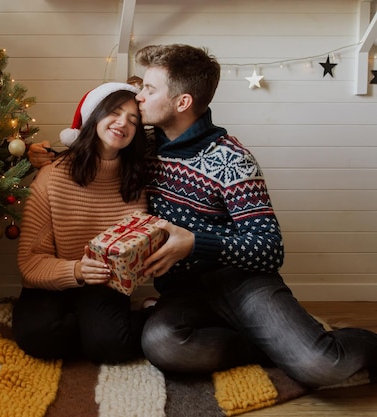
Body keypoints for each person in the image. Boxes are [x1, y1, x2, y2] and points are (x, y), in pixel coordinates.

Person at [28, 44, 377, 388]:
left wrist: (196, 243)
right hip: (183, 292)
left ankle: (358, 345)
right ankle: (261, 346)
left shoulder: (232, 158)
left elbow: (270, 248)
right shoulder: (143, 150)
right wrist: (50, 155)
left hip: (243, 284)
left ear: (182, 102)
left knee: (320, 365)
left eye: (149, 89)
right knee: (162, 345)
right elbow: (97, 150)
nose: (139, 97)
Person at [12, 82, 149, 364]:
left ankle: (143, 315)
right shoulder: (52, 176)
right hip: (53, 279)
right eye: (115, 112)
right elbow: (31, 260)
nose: (123, 123)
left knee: (111, 348)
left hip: (105, 285)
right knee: (37, 337)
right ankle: (91, 330)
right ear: (95, 115)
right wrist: (76, 270)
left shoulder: (135, 180)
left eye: (133, 120)